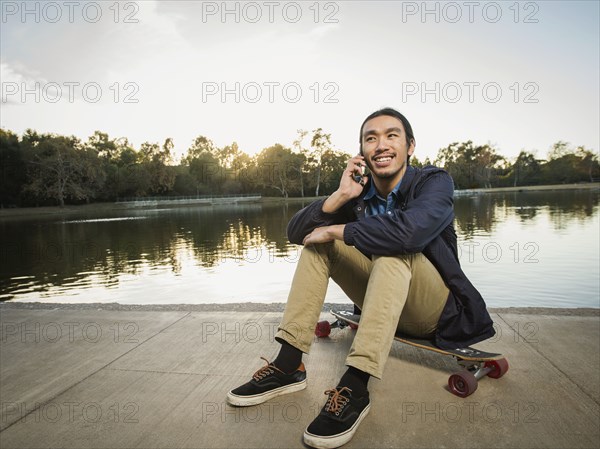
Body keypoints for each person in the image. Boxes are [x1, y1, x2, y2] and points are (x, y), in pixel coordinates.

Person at [226, 108, 496, 449]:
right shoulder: (358, 194)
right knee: (316, 246)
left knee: (392, 248)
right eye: (371, 138)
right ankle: (288, 366)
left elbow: (410, 233)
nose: (381, 145)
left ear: (410, 146)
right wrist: (339, 197)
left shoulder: (433, 181)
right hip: (379, 304)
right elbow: (296, 232)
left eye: (391, 135)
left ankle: (355, 386)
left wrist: (338, 229)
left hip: (431, 311)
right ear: (362, 152)